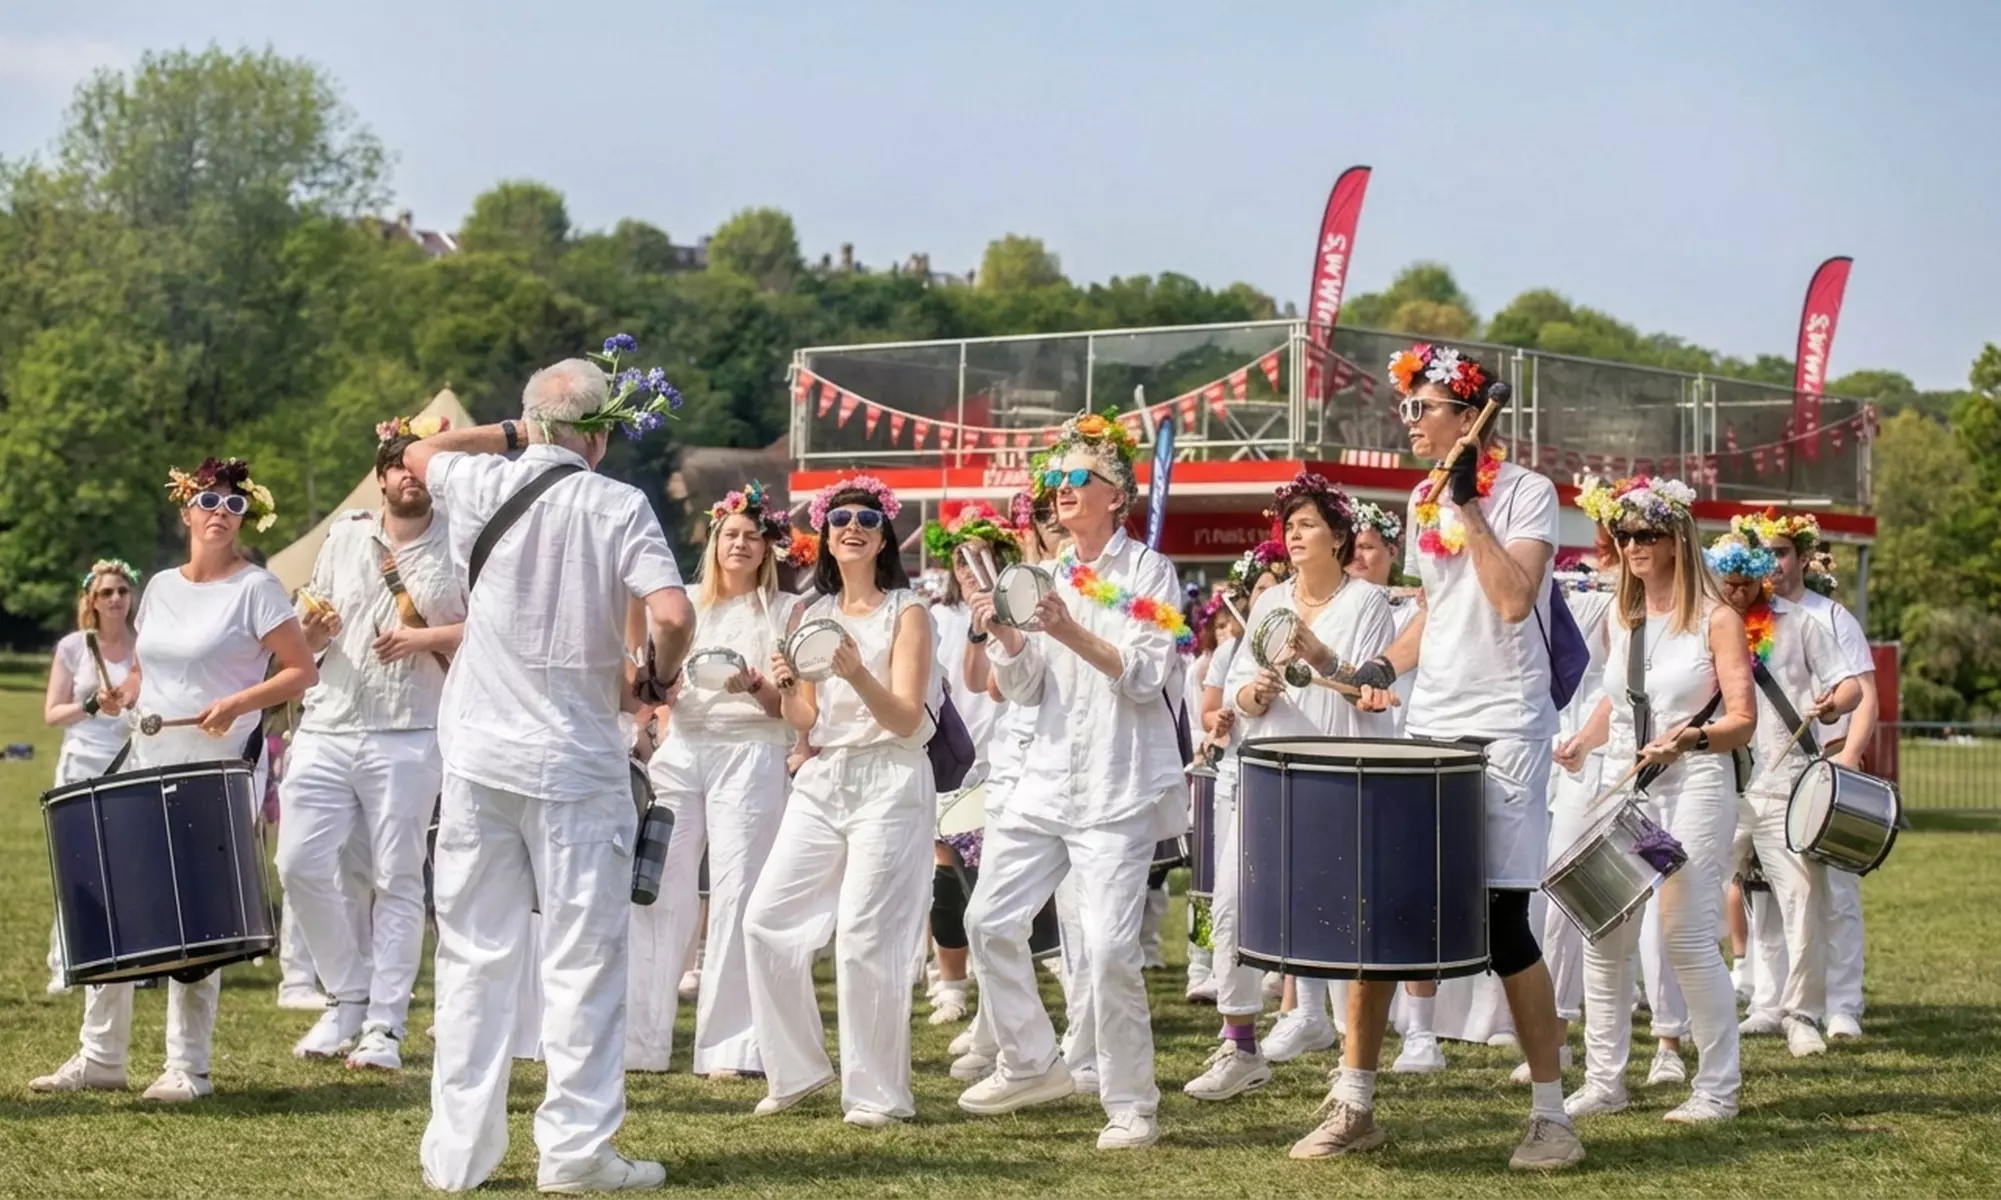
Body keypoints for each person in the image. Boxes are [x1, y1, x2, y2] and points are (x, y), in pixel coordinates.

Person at [405, 350, 694, 1193]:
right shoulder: (617, 504)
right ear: (600, 436)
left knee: (474, 959)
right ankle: (574, 1155)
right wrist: (658, 674)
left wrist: (510, 428)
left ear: (528, 424)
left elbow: (416, 454)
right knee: (580, 963)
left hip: (481, 758)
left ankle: (456, 1158)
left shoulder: (480, 483)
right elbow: (671, 613)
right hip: (574, 762)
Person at [1312, 343, 1581, 1170]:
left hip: (1504, 730)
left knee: (1501, 924)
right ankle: (1354, 1103)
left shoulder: (1527, 492)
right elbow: (1438, 611)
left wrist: (1471, 507)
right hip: (1430, 722)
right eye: (1407, 408)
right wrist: (1378, 666)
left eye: (1422, 408)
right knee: (1383, 911)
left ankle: (1550, 1119)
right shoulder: (1422, 492)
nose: (1410, 422)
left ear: (1469, 418)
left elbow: (1507, 599)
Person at [31, 458, 317, 1102]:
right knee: (120, 901)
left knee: (197, 917)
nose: (221, 512)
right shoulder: (159, 586)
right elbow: (146, 672)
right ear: (186, 511)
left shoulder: (257, 589)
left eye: (235, 505)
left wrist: (239, 703)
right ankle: (100, 1056)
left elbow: (302, 671)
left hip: (216, 770)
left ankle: (189, 1067)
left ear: (246, 518)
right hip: (147, 757)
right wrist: (122, 693)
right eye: (210, 501)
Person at [957, 411, 1188, 1151]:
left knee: (1113, 951)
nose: (1056, 490)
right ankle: (1031, 1060)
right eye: (1051, 480)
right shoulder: (1043, 574)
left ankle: (1131, 1103)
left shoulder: (1149, 574)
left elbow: (1147, 674)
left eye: (1072, 478)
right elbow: (1024, 688)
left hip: (1116, 790)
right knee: (988, 922)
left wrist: (1067, 630)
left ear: (1115, 494)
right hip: (1044, 781)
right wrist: (1002, 632)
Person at [1184, 475, 1397, 1104]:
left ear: (1338, 537)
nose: (1294, 535)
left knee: (1336, 918)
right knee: (1230, 906)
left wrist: (1321, 657)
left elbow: (1368, 693)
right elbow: (1243, 692)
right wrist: (1256, 694)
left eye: (1307, 525)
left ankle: (1348, 1060)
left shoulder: (1367, 603)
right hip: (1258, 774)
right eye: (1289, 526)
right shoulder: (1271, 602)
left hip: (1333, 775)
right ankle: (1239, 1044)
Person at [1555, 476, 1757, 1123]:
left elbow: (1742, 718)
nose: (1633, 544)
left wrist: (1692, 738)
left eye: (1646, 533)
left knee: (1685, 935)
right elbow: (1620, 698)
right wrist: (1584, 743)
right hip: (1627, 791)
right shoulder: (1626, 616)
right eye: (1625, 534)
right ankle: (1602, 1080)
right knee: (1603, 932)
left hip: (1692, 786)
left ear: (1676, 539)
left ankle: (1716, 1088)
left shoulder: (1716, 619)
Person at [743, 475, 937, 1128]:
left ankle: (878, 1094)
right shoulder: (810, 616)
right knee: (764, 919)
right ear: (824, 535)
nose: (850, 527)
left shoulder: (906, 612)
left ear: (884, 537)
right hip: (825, 777)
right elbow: (804, 717)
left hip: (891, 776)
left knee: (864, 938)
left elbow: (907, 719)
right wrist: (779, 687)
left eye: (866, 519)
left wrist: (859, 672)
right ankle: (795, 1068)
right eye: (838, 519)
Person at [277, 417, 465, 1071]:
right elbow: (314, 624)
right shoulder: (345, 537)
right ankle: (346, 995)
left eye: (421, 469)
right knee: (299, 864)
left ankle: (384, 1025)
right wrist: (313, 628)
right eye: (399, 468)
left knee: (395, 879)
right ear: (382, 475)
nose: (409, 479)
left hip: (411, 729)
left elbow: (492, 630)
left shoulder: (458, 542)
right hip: (329, 721)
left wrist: (423, 639)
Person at [628, 481, 799, 1079]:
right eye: (732, 534)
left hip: (752, 752)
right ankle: (638, 1039)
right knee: (655, 888)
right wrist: (661, 704)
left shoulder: (785, 612)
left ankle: (730, 1044)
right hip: (685, 750)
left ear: (768, 548)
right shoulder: (686, 609)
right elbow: (653, 686)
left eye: (754, 536)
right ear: (715, 540)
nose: (741, 544)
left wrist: (755, 686)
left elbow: (796, 710)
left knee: (736, 891)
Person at [1707, 528, 1864, 1055]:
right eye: (1721, 584)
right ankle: (1731, 1008)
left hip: (1787, 782)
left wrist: (1834, 705)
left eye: (1738, 584)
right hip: (1721, 781)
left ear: (1757, 580)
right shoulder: (1702, 625)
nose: (1729, 594)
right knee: (1713, 896)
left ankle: (1801, 1013)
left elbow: (1851, 684)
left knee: (1801, 898)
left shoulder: (1802, 625)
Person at [1749, 511, 1879, 1040]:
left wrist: (1848, 758)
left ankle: (1844, 1002)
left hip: (1823, 764)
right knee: (1765, 891)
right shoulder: (1746, 617)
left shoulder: (1831, 617)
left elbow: (1866, 694)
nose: (1773, 564)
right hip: (1764, 773)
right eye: (1763, 553)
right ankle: (1769, 997)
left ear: (1803, 556)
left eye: (1781, 552)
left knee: (1836, 890)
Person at [921, 500, 1019, 1026]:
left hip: (1008, 761)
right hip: (956, 758)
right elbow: (951, 681)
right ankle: (952, 984)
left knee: (993, 883)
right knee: (946, 878)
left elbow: (995, 687)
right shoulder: (939, 615)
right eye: (961, 560)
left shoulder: (1019, 610)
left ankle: (995, 991)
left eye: (981, 557)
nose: (969, 568)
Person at [41, 559, 144, 994]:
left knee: (127, 864)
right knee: (79, 863)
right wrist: (91, 706)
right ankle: (68, 958)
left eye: (122, 590)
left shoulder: (147, 647)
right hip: (82, 760)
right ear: (92, 600)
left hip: (131, 760)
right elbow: (52, 714)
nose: (116, 599)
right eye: (106, 593)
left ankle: (128, 957)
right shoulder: (73, 647)